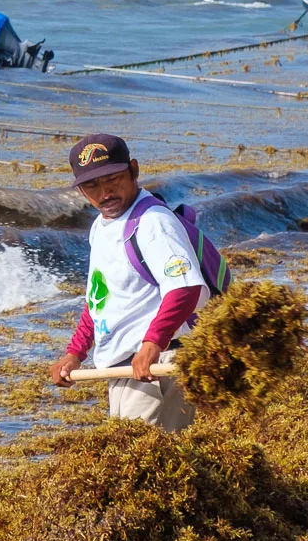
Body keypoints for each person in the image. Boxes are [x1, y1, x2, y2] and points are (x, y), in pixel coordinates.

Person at [50, 133, 210, 432]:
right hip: (132, 362)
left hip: (156, 363)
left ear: (134, 170)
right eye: (92, 185)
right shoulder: (102, 226)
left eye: (113, 179)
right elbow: (101, 299)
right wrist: (75, 353)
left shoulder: (153, 222)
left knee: (146, 460)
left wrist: (152, 344)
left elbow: (184, 288)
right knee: (163, 461)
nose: (104, 192)